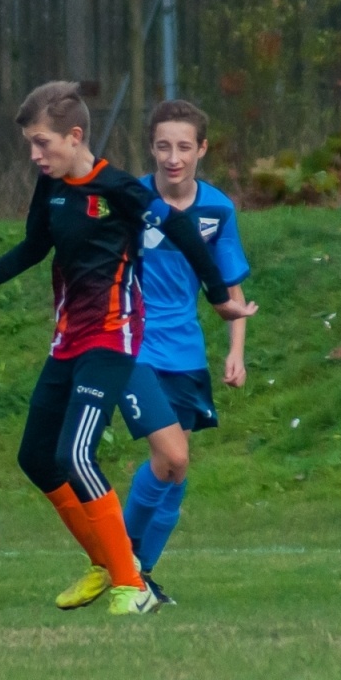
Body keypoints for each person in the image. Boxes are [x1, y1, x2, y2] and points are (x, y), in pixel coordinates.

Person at [0, 82, 257, 615]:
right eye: (30, 145)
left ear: (75, 135)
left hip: (114, 338)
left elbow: (180, 230)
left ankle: (131, 586)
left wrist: (220, 299)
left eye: (41, 143)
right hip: (69, 339)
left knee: (77, 454)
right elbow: (34, 247)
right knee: (37, 458)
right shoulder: (52, 187)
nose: (35, 155)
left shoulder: (119, 189)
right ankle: (108, 566)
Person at [116, 100, 250, 604]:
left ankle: (139, 572)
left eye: (184, 147)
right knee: (170, 454)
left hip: (186, 352)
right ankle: (120, 563)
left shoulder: (217, 209)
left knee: (177, 469)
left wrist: (235, 351)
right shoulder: (129, 200)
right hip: (133, 347)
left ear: (202, 150)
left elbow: (230, 287)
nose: (173, 157)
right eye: (163, 146)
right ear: (151, 147)